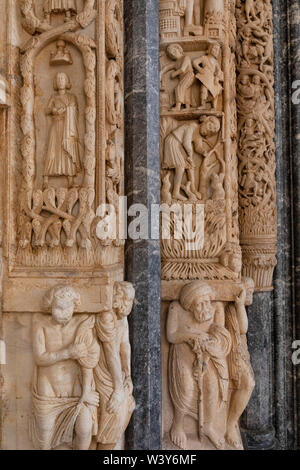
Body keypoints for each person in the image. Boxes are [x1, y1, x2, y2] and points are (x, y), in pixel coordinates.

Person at [30, 285, 100, 450]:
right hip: (48, 390)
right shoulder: (40, 323)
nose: (63, 313)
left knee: (84, 428)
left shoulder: (82, 324)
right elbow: (39, 357)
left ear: (75, 306)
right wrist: (68, 353)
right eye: (58, 308)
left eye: (68, 307)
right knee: (44, 434)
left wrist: (86, 392)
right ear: (50, 306)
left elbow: (88, 360)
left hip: (77, 390)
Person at [167, 282, 232, 450]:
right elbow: (171, 335)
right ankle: (178, 424)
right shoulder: (176, 308)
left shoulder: (216, 308)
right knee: (187, 386)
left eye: (207, 302)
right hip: (183, 351)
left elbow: (218, 337)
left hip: (207, 354)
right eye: (200, 304)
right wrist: (192, 335)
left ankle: (209, 426)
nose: (205, 307)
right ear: (190, 306)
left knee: (211, 384)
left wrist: (204, 362)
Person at [94, 282, 135, 450]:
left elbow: (124, 346)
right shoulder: (106, 316)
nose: (130, 305)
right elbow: (111, 352)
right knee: (114, 412)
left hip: (117, 371)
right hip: (104, 370)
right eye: (128, 300)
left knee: (128, 406)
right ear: (118, 299)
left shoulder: (121, 316)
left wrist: (128, 375)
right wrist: (118, 389)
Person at [225, 278, 255, 449]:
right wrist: (239, 305)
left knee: (248, 384)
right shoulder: (231, 306)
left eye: (251, 290)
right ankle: (229, 425)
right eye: (248, 290)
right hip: (231, 351)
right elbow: (243, 327)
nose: (250, 294)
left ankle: (231, 423)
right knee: (247, 384)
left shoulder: (237, 306)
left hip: (240, 350)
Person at [163, 116, 220, 201]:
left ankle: (193, 189)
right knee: (181, 167)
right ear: (204, 121)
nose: (207, 131)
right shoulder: (192, 126)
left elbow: (198, 147)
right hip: (173, 141)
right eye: (209, 126)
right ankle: (175, 193)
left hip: (179, 145)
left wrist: (203, 152)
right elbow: (186, 142)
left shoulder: (199, 136)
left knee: (190, 166)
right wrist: (190, 154)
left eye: (210, 132)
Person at [44, 72, 81, 189]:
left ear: (67, 81)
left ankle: (70, 179)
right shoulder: (54, 97)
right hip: (56, 126)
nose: (60, 81)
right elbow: (47, 110)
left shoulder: (71, 97)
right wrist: (55, 110)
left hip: (67, 128)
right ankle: (46, 179)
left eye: (62, 79)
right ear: (55, 82)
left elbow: (75, 109)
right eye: (58, 79)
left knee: (67, 151)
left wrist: (67, 110)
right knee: (52, 150)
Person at [193, 43, 223, 109]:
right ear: (210, 49)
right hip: (205, 76)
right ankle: (202, 104)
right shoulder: (204, 58)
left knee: (216, 91)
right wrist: (200, 69)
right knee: (203, 89)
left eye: (218, 50)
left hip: (212, 78)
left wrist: (217, 77)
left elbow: (219, 71)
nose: (216, 51)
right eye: (215, 49)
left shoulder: (215, 62)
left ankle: (213, 106)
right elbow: (195, 62)